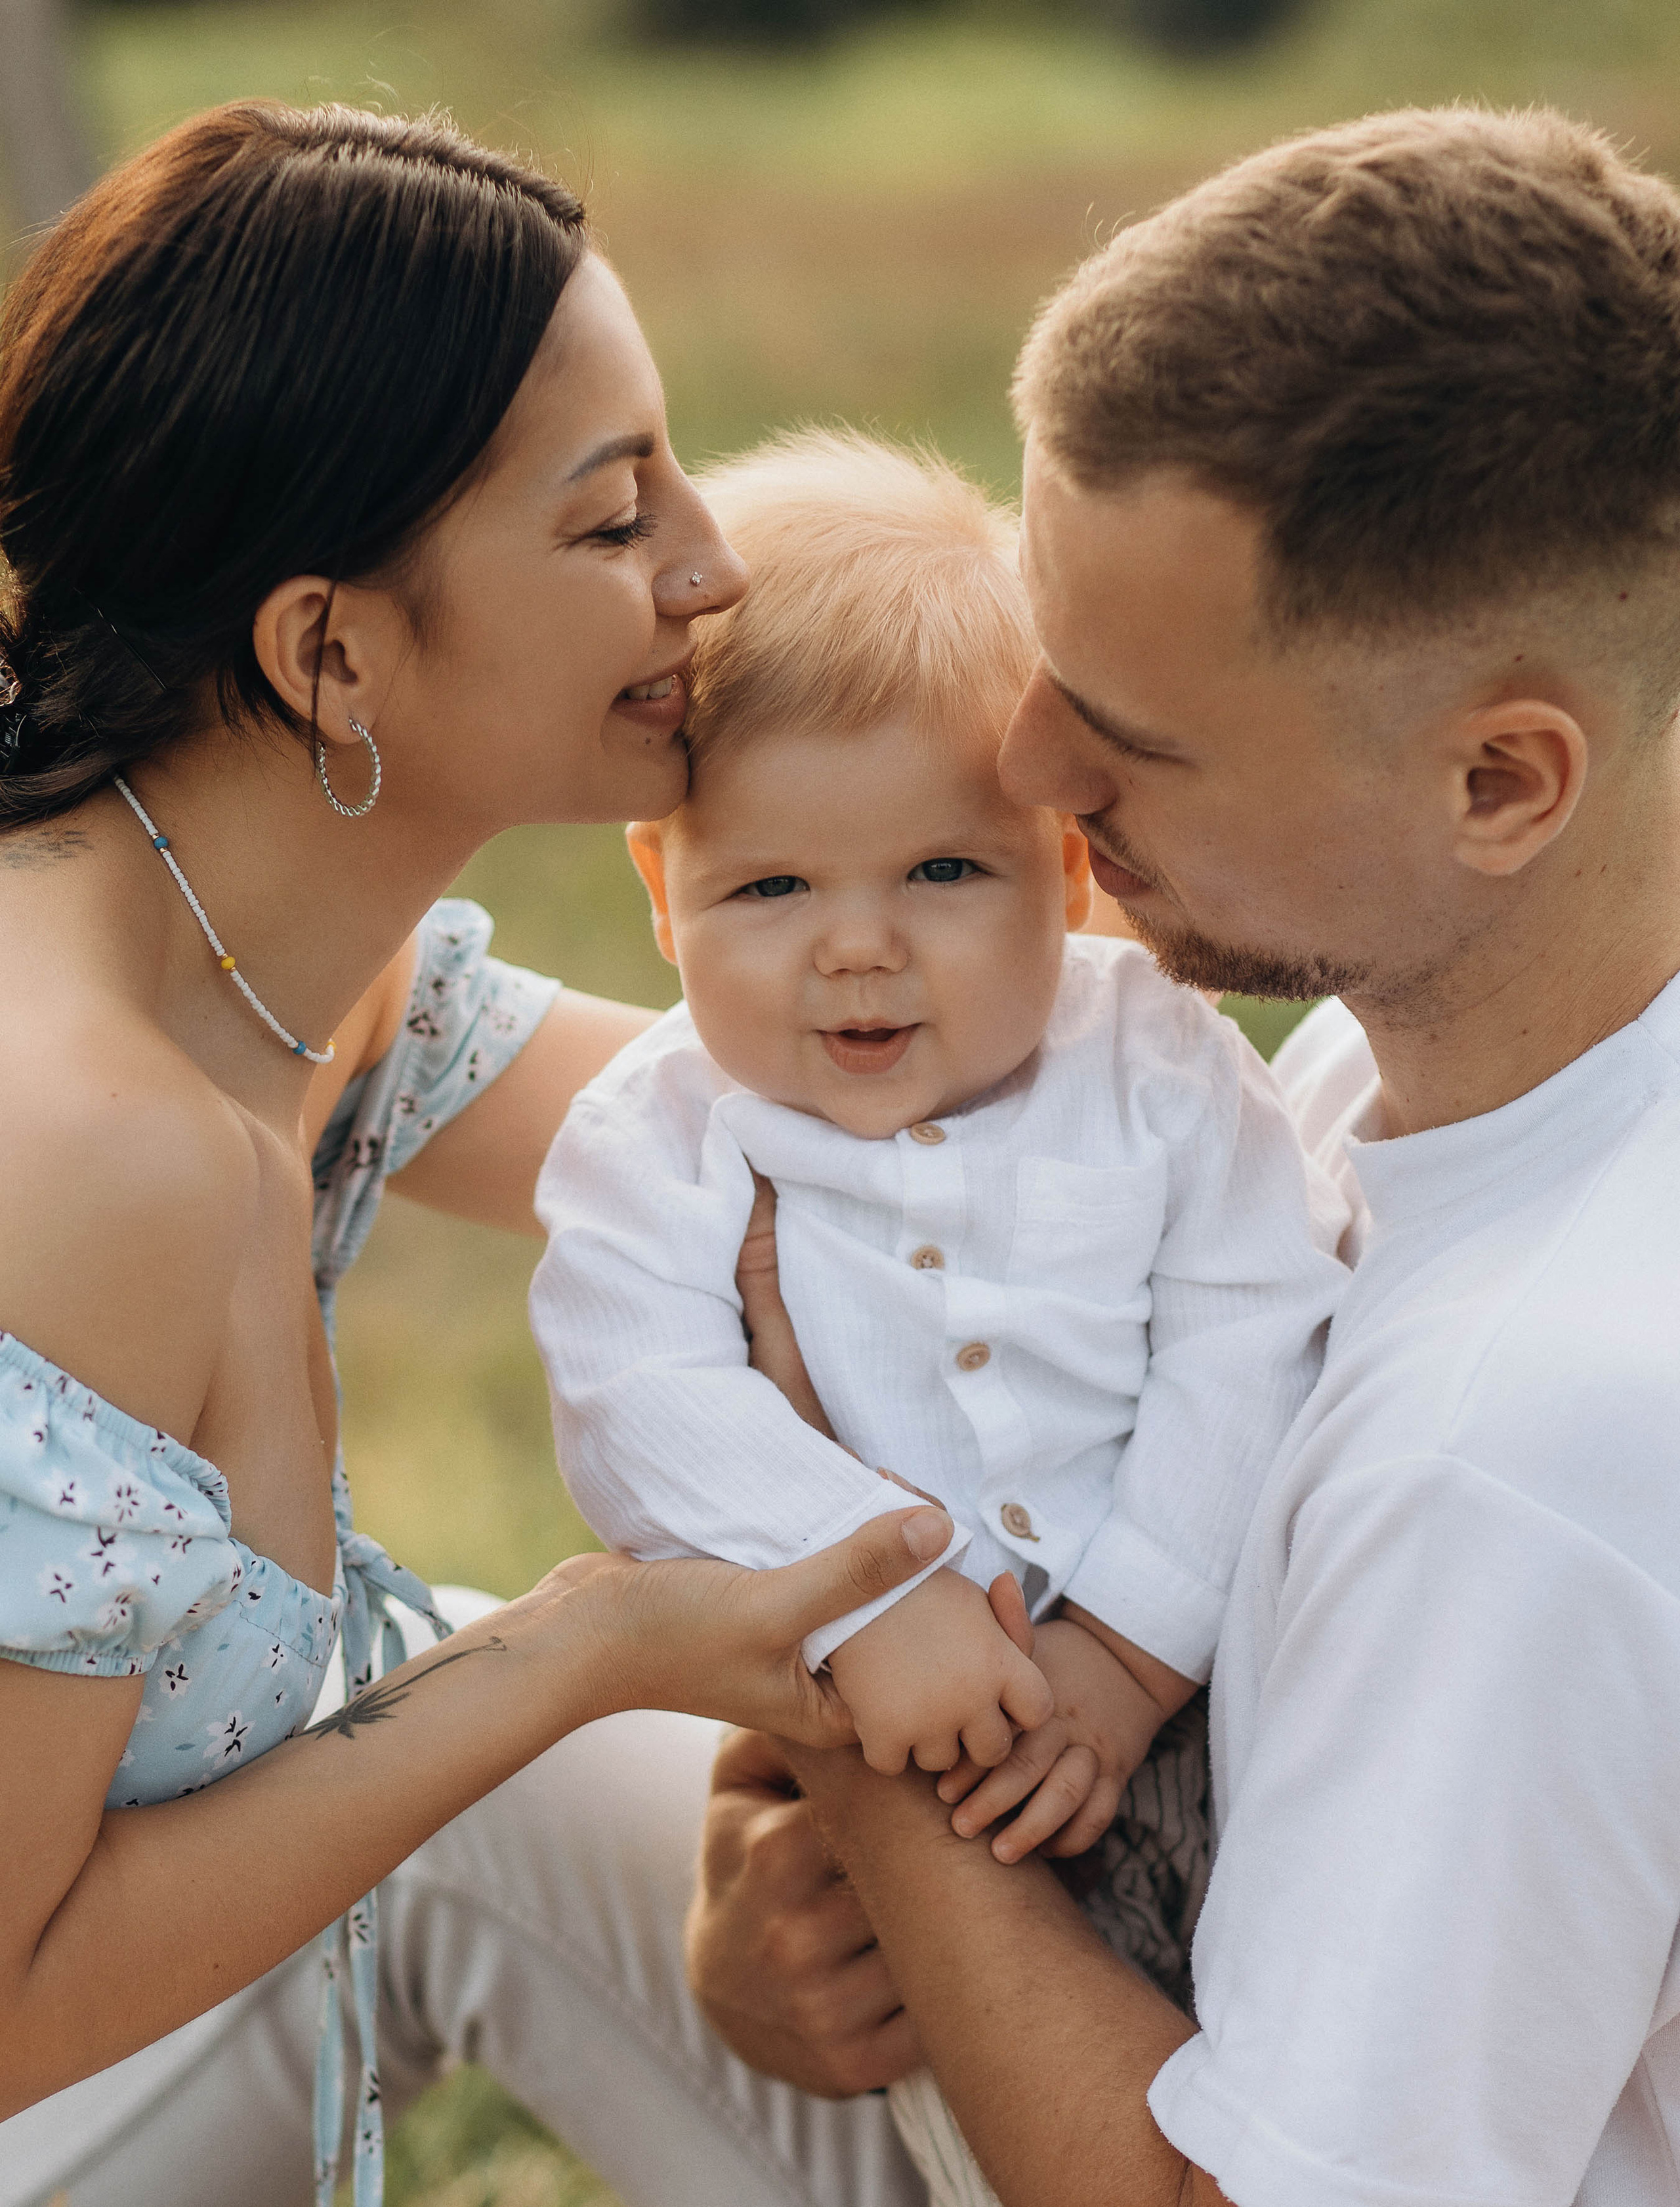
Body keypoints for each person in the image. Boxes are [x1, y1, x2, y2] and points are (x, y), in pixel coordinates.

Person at [680, 104, 1680, 2207]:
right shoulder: (1466, 1032)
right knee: (451, 1760)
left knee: (376, 1818)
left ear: (1504, 778)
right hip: (1122, 1913)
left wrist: (853, 1685)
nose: (1027, 764)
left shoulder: (1519, 1452)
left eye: (1127, 735)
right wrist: (774, 1865)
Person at [0, 99, 956, 2207]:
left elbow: (839, 1138)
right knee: (529, 1741)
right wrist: (578, 1647)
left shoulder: (279, 959)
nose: (712, 566)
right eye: (618, 519)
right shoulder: (80, 1142)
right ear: (329, 650)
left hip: (239, 1958)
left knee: (843, 1922)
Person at [528, 429, 1345, 2198]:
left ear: (1071, 870)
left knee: (1259, 2069)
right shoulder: (654, 1140)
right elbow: (639, 1399)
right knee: (966, 2107)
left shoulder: (1157, 1064)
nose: (858, 946)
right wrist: (866, 1580)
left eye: (942, 873)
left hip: (1207, 1718)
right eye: (771, 886)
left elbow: (1253, 1317)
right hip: (913, 1768)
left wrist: (1127, 1648)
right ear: (662, 895)